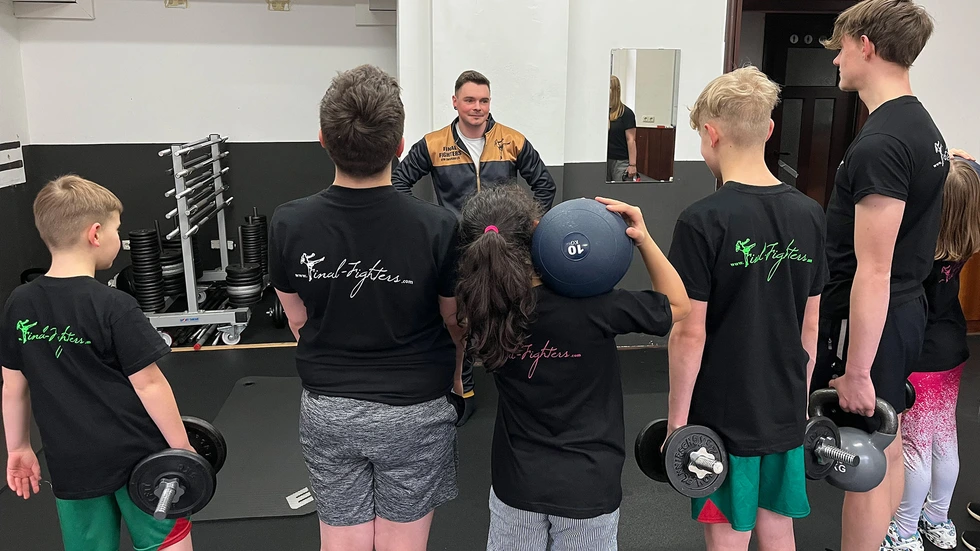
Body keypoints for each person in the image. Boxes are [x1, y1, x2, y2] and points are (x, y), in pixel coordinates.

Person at [268, 65, 464, 551]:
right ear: (400, 146)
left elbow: (296, 318)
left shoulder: (289, 222)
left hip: (329, 411)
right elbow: (452, 321)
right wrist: (457, 379)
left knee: (343, 543)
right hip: (416, 410)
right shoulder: (438, 226)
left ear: (323, 140)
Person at [453, 184, 689, 550]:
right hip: (588, 483)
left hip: (517, 483)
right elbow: (678, 305)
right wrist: (642, 238)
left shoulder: (483, 311)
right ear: (539, 231)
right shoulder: (596, 306)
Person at [666, 67, 826, 551]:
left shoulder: (701, 220)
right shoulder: (810, 214)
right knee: (778, 527)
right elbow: (810, 325)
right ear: (769, 129)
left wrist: (677, 423)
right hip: (784, 406)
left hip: (722, 414)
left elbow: (689, 333)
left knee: (727, 533)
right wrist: (799, 404)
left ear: (711, 134)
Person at [809, 1, 949, 549]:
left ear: (865, 46)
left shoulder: (883, 142)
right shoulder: (921, 125)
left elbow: (873, 269)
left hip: (875, 318)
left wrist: (858, 371)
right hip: (903, 309)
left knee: (861, 454)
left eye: (842, 48)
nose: (837, 60)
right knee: (886, 446)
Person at [0, 175, 195, 551]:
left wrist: (19, 447)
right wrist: (181, 450)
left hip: (70, 462)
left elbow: (13, 386)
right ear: (95, 234)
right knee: (166, 541)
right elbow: (149, 384)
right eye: (116, 230)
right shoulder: (114, 304)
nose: (119, 240)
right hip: (138, 456)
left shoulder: (19, 303)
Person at [392, 70, 557, 423]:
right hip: (458, 247)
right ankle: (463, 391)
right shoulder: (434, 144)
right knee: (459, 322)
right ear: (455, 102)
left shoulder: (512, 140)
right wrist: (430, 222)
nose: (477, 107)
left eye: (483, 100)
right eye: (469, 100)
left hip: (505, 248)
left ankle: (522, 387)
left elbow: (545, 185)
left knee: (514, 314)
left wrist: (524, 225)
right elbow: (398, 181)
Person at [883, 149, 979, 551]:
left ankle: (904, 531)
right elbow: (965, 186)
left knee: (916, 448)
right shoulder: (964, 240)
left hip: (922, 357)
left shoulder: (921, 252)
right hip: (951, 350)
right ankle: (938, 520)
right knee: (944, 437)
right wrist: (965, 167)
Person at [608, 75, 638, 182]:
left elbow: (631, 140)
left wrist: (632, 164)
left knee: (619, 189)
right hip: (604, 159)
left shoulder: (626, 113)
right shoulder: (603, 112)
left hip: (621, 161)